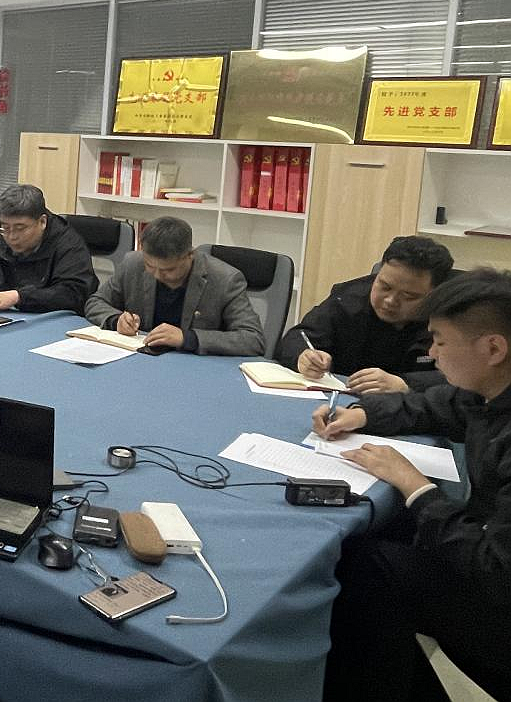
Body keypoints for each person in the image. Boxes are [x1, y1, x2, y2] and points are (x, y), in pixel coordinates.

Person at [313, 269, 511, 701]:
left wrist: (415, 485)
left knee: (368, 569)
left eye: (440, 341)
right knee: (379, 534)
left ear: (493, 348)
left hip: (500, 602)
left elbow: (495, 569)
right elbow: (434, 405)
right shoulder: (491, 389)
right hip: (488, 550)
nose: (432, 355)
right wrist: (362, 415)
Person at [276, 236, 454, 393]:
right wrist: (304, 357)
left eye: (408, 296)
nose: (390, 300)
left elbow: (466, 376)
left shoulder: (452, 318)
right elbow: (298, 337)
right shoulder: (348, 299)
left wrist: (406, 384)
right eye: (384, 286)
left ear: (435, 294)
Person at [83, 216, 264, 355]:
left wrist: (188, 338)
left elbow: (253, 339)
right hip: (139, 359)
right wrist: (116, 320)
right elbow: (95, 302)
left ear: (190, 256)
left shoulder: (226, 280)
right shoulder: (133, 263)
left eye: (168, 270)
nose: (157, 275)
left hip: (194, 368)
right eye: (150, 266)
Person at [0, 184, 96, 313]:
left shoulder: (68, 245)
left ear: (42, 222)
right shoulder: (2, 237)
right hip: (9, 319)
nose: (12, 236)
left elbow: (73, 293)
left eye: (20, 228)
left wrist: (18, 297)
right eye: (5, 227)